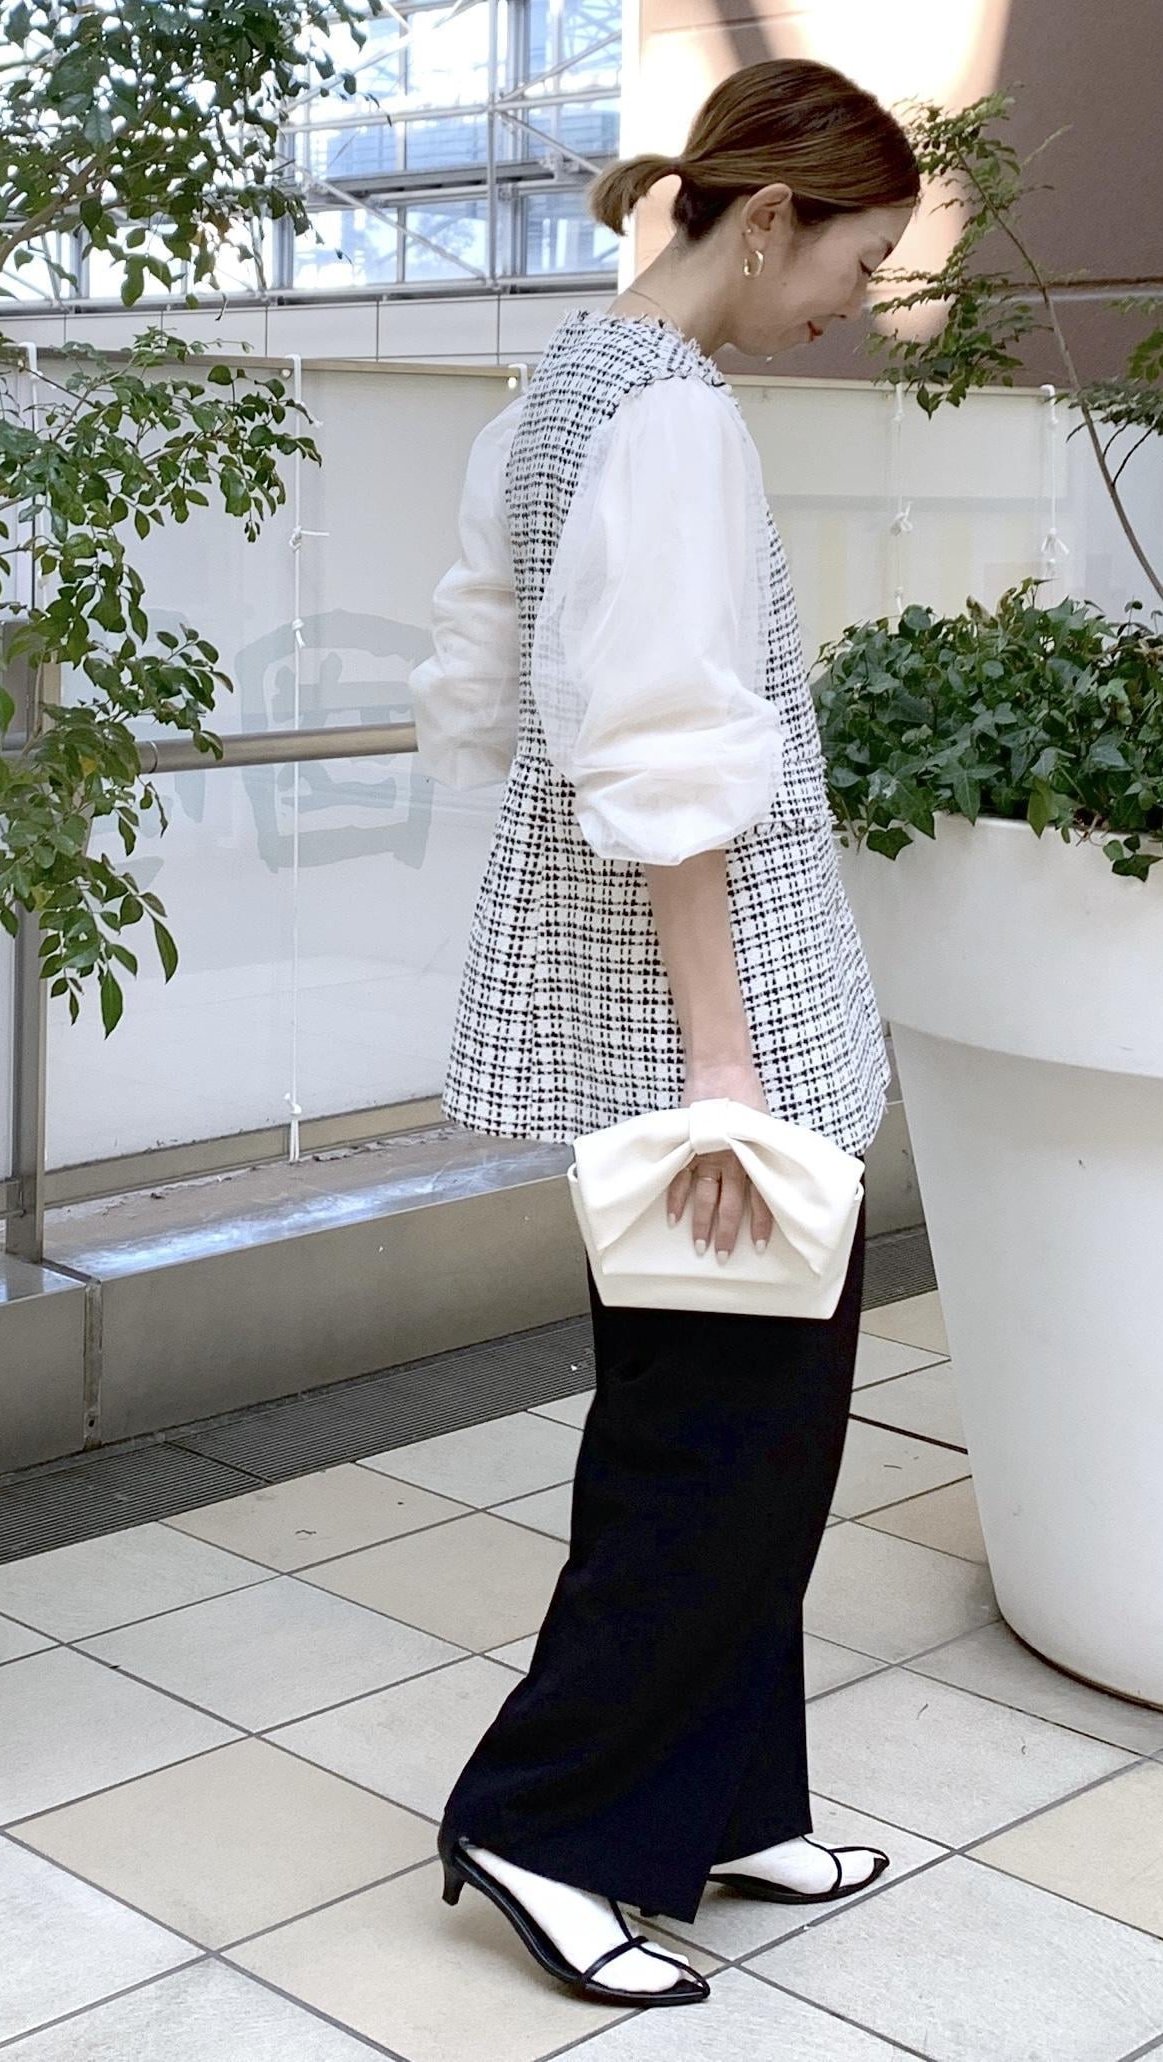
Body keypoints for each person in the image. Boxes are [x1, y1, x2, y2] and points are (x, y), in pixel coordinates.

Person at [408, 55, 920, 2011]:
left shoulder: (566, 382)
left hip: (647, 984)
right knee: (721, 1444)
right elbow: (664, 751)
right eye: (857, 263)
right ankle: (549, 1819)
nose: (855, 306)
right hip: (718, 1014)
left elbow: (488, 681)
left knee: (729, 1429)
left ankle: (727, 1798)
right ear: (768, 219)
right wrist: (720, 1060)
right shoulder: (673, 419)